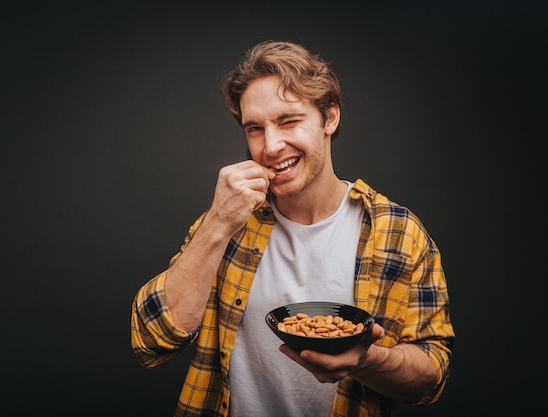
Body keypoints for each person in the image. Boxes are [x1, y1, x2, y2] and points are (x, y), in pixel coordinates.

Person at [131, 40, 455, 417]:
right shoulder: (227, 223)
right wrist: (217, 225)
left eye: (288, 121)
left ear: (329, 118)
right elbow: (150, 340)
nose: (270, 146)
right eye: (255, 128)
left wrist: (364, 361)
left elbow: (432, 374)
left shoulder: (399, 232)